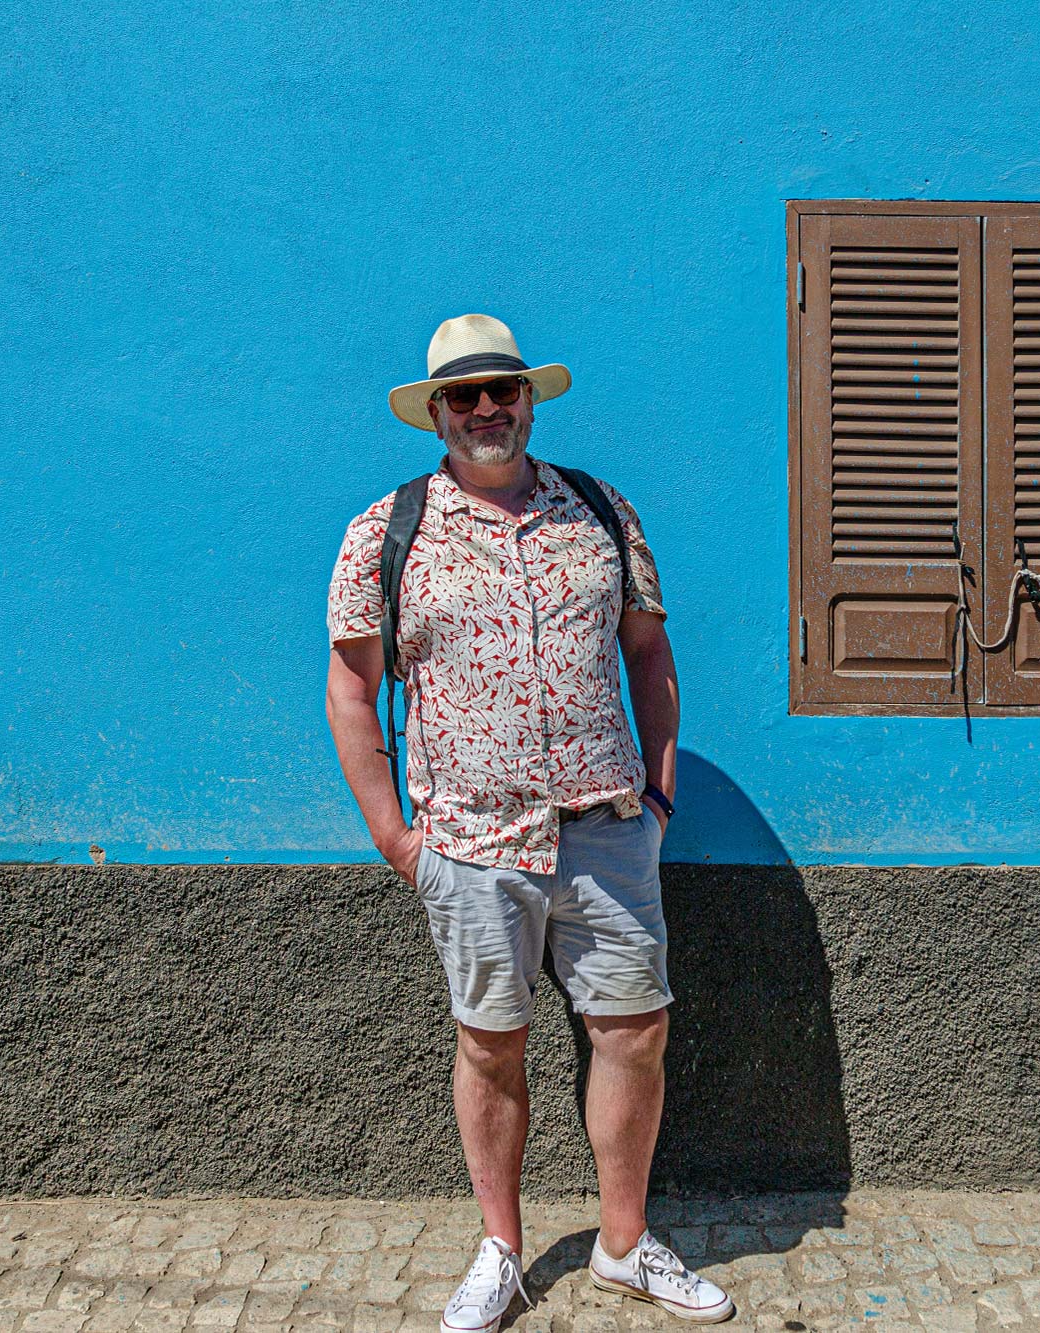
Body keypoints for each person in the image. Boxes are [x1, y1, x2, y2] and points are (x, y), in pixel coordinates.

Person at [323, 314, 734, 1330]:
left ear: (530, 398)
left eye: (501, 389)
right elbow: (349, 683)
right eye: (462, 396)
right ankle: (501, 1250)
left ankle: (625, 1244)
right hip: (466, 841)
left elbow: (647, 653)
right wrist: (391, 833)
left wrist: (660, 794)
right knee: (490, 1045)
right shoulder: (388, 530)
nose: (484, 409)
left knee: (634, 1032)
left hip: (605, 830)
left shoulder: (598, 510)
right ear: (435, 415)